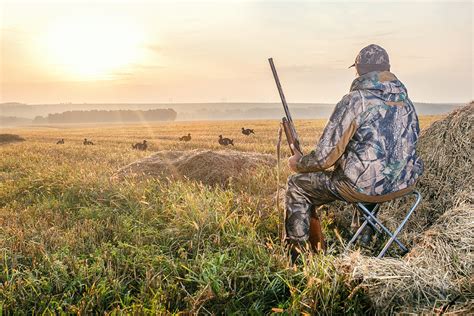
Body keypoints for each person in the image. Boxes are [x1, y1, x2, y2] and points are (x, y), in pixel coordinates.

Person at [285, 44, 424, 256]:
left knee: (297, 185)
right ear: (387, 69)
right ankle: (364, 245)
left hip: (364, 188)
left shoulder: (354, 101)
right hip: (404, 184)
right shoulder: (407, 102)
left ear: (358, 70)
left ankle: (296, 256)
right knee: (371, 175)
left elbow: (324, 159)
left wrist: (299, 163)